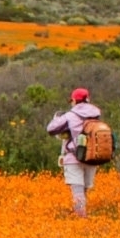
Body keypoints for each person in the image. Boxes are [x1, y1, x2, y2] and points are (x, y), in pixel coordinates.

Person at [47, 87, 102, 218]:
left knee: (77, 191)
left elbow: (51, 129)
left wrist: (57, 118)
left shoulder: (70, 115)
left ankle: (80, 218)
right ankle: (81, 214)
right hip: (92, 156)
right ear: (88, 99)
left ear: (74, 100)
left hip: (74, 157)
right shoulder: (96, 114)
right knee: (84, 190)